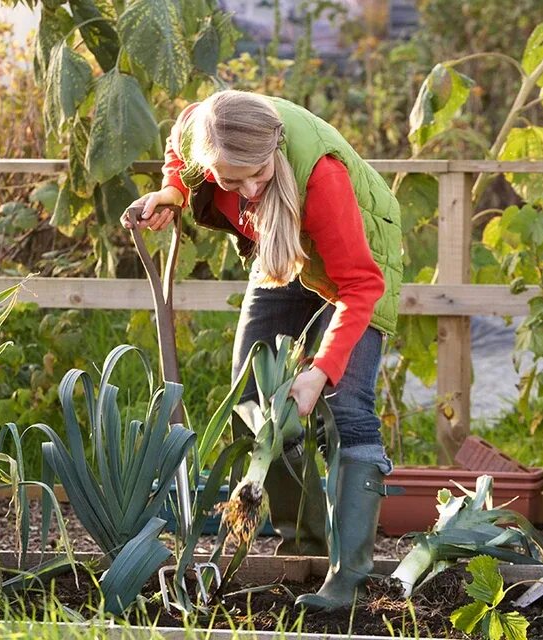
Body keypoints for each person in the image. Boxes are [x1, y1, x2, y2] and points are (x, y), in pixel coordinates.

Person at [122, 90, 402, 611]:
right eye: (231, 180)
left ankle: (347, 580)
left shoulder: (322, 179)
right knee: (253, 397)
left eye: (258, 173)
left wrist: (320, 371)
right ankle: (304, 552)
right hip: (280, 244)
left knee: (347, 406)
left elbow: (361, 286)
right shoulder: (199, 129)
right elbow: (179, 156)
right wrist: (171, 192)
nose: (248, 187)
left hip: (354, 256)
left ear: (274, 146)